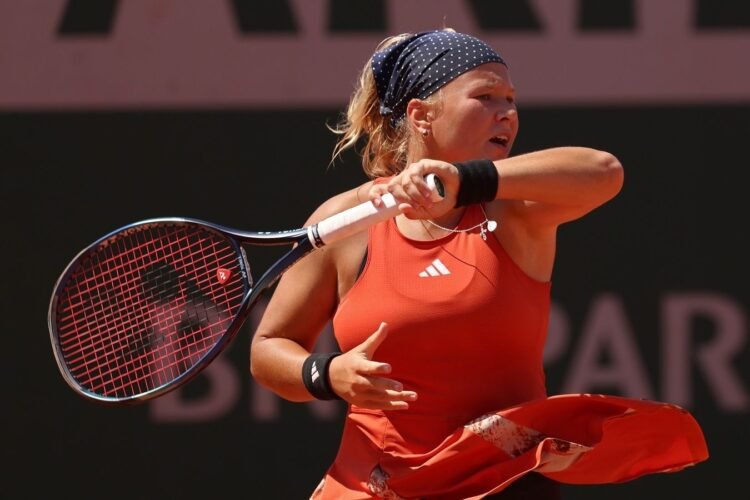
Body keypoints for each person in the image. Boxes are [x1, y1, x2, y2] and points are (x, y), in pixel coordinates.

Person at [250, 29, 708, 499]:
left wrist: (465, 181)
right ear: (421, 116)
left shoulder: (516, 210)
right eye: (485, 97)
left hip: (503, 485)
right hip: (371, 485)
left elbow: (604, 171)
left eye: (510, 99)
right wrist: (328, 374)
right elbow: (269, 348)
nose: (506, 112)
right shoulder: (345, 221)